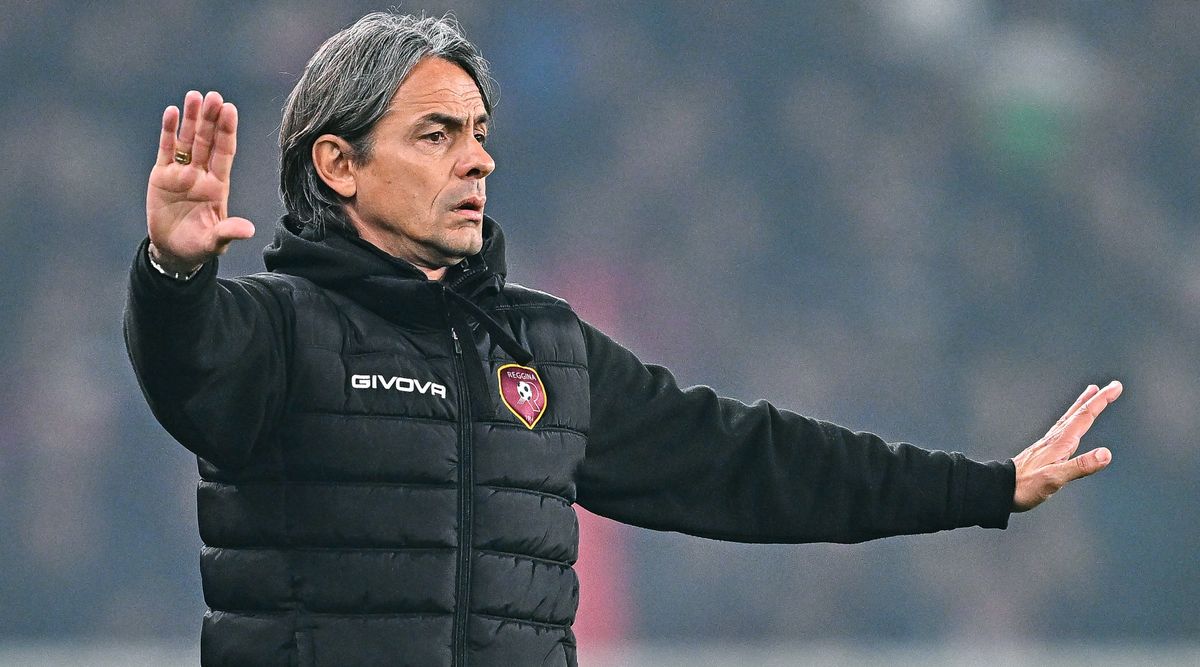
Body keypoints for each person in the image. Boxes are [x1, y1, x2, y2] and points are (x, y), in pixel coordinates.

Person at [124, 11, 1122, 667]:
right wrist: (173, 272)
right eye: (438, 135)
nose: (478, 159)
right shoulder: (275, 328)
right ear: (339, 164)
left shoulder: (545, 351)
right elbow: (186, 371)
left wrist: (984, 487)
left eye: (479, 133)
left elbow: (745, 462)